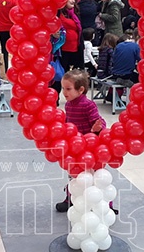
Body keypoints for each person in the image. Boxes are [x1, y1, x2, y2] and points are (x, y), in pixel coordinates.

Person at [55, 69, 107, 212]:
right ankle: (70, 198)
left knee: (96, 176)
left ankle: (105, 203)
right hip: (75, 147)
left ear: (81, 90)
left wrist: (97, 127)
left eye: (68, 89)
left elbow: (98, 122)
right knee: (73, 174)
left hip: (89, 147)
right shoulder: (68, 104)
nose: (64, 92)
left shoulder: (88, 105)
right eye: (63, 88)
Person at [0, 0, 18, 71]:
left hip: (1, 29)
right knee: (15, 50)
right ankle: (14, 68)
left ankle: (5, 70)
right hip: (12, 29)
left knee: (4, 50)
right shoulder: (15, 1)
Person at [58, 0, 83, 71]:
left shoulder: (75, 13)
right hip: (63, 47)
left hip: (75, 47)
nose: (73, 1)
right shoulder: (59, 13)